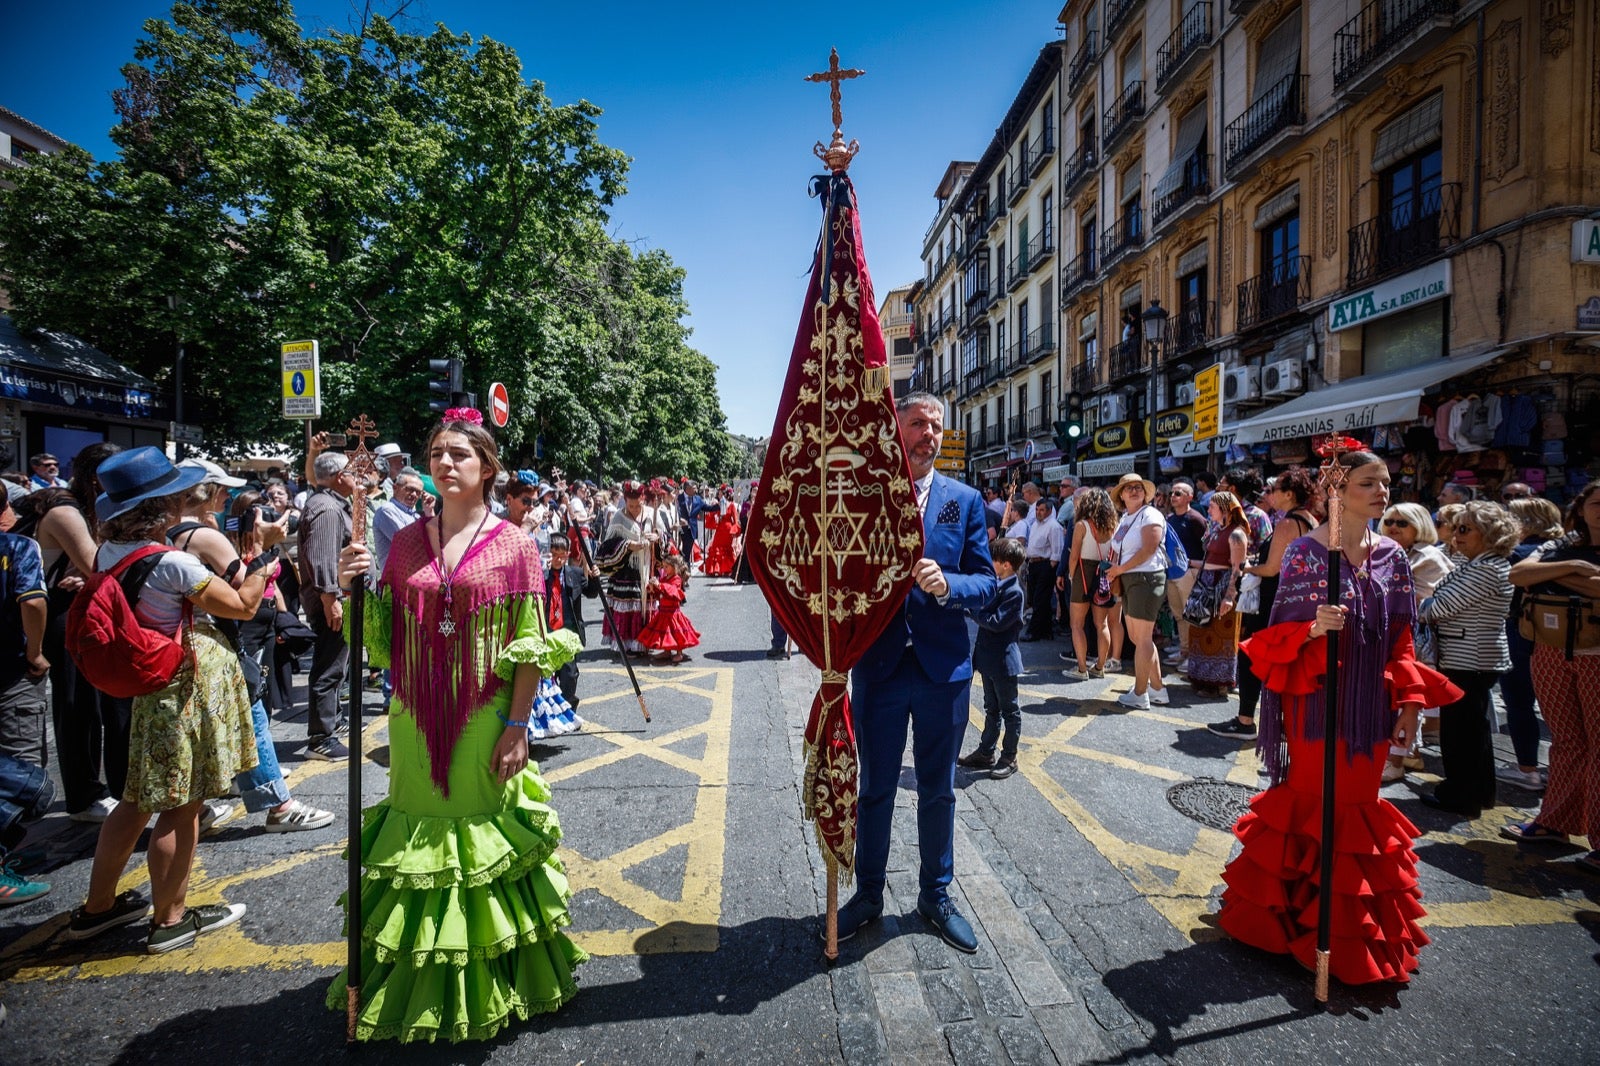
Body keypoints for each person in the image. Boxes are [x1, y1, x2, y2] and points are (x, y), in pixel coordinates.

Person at [329, 413, 585, 1042]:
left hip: (483, 717)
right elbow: (381, 641)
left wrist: (518, 725)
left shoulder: (515, 544)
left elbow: (530, 642)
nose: (445, 464)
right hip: (413, 717)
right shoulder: (409, 541)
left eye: (459, 455)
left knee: (477, 854)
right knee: (418, 853)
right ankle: (416, 986)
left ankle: (489, 986)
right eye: (437, 454)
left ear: (487, 468)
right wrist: (348, 588)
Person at [1218, 447, 1458, 985]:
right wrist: (1312, 629)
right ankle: (1283, 924)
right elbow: (1272, 639)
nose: (1383, 492)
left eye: (1386, 483)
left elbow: (1403, 642)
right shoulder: (1305, 553)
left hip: (1368, 706)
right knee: (1307, 802)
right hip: (1313, 700)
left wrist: (1413, 706)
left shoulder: (1394, 558)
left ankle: (1346, 937)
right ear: (1337, 491)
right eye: (1369, 483)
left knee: (1355, 806)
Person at [65, 448, 268, 953]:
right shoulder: (173, 563)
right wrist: (264, 559)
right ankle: (171, 919)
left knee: (134, 801)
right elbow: (242, 606)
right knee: (182, 805)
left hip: (148, 689)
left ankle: (98, 908)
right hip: (182, 689)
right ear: (163, 507)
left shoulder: (106, 554)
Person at [838, 392, 996, 954]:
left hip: (942, 670)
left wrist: (951, 585)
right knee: (876, 788)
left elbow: (988, 583)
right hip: (879, 668)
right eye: (917, 424)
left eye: (935, 425)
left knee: (938, 791)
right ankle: (868, 894)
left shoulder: (964, 501)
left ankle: (936, 895)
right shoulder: (862, 496)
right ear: (896, 428)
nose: (928, 433)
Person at [167, 467, 334, 834]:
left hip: (177, 646)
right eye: (223, 491)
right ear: (206, 493)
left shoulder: (167, 533)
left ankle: (197, 808)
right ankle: (279, 806)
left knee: (204, 727)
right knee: (253, 716)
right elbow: (247, 597)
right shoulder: (203, 537)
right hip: (214, 642)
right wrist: (265, 548)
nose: (228, 498)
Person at [14, 445, 122, 821]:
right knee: (77, 705)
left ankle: (90, 790)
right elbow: (100, 566)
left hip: (66, 608)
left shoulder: (78, 506)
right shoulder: (64, 509)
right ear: (98, 478)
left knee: (88, 702)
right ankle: (83, 795)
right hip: (55, 614)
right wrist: (89, 568)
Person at [1502, 481, 1600, 870]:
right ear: (1582, 507)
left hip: (1595, 654)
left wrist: (1550, 576)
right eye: (1596, 502)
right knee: (1567, 741)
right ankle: (1554, 822)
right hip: (1552, 650)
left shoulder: (1553, 551)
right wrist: (1576, 568)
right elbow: (1520, 575)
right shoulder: (1566, 545)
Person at [1416, 500, 1518, 817]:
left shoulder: (1486, 568)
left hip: (1471, 658)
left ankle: (1462, 794)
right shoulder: (1477, 563)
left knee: (1463, 733)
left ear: (1487, 533)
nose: (1456, 536)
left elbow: (1438, 608)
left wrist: (1425, 607)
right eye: (1455, 528)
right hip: (1468, 656)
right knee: (1469, 730)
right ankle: (1473, 791)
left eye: (1464, 529)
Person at [1212, 468, 1318, 739]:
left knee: (1251, 656)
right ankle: (1284, 723)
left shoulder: (1287, 523)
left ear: (1289, 494)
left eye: (1273, 490)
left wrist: (1247, 568)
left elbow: (1272, 569)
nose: (1268, 495)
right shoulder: (1309, 520)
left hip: (1274, 599)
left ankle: (1245, 720)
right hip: (1293, 598)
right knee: (1283, 661)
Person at [1375, 502, 1453, 780]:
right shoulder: (1380, 549)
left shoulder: (1429, 557)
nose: (1394, 526)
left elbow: (1432, 600)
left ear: (1419, 525)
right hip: (1386, 635)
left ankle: (1398, 759)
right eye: (1389, 521)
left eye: (1402, 522)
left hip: (1414, 638)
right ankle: (1406, 754)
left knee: (1407, 698)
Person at [1495, 497, 1564, 790]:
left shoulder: (1516, 555)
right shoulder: (1568, 552)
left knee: (1520, 703)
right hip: (1567, 639)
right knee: (1561, 712)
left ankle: (1527, 769)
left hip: (1521, 634)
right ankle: (1564, 773)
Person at [296, 450, 359, 761]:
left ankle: (333, 721)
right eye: (351, 471)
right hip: (332, 601)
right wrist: (330, 598)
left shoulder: (331, 505)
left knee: (337, 665)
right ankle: (321, 737)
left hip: (337, 598)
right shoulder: (326, 509)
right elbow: (323, 558)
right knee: (329, 667)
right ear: (338, 476)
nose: (355, 476)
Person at [956, 537, 1026, 779]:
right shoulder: (996, 583)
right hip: (988, 658)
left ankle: (1010, 755)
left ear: (1006, 565)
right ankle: (986, 751)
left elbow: (995, 622)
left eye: (993, 559)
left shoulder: (1014, 592)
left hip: (1004, 661)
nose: (990, 563)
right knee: (991, 708)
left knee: (1010, 710)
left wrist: (974, 610)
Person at [1106, 473, 1169, 709]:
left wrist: (1119, 569)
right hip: (1131, 578)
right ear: (1121, 495)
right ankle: (1158, 688)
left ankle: (1141, 693)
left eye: (1138, 487)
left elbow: (1149, 549)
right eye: (1128, 488)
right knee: (1138, 638)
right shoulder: (1126, 517)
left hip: (1145, 577)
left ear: (1145, 493)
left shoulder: (1150, 514)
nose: (1134, 491)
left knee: (1142, 638)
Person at [0, 491, 49, 768]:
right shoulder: (18, 547)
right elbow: (32, 602)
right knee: (21, 766)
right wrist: (36, 652)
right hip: (12, 667)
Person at [1185, 492, 1248, 697]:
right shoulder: (1218, 530)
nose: (1209, 509)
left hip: (1221, 587)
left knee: (1219, 635)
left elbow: (1237, 569)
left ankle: (1218, 683)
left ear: (1226, 509)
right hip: (1206, 586)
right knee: (1200, 630)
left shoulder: (1237, 533)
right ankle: (1202, 679)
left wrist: (1229, 596)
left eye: (1212, 506)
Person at [1059, 487, 1122, 679]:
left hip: (1082, 574)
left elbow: (1073, 556)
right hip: (1104, 573)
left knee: (1077, 624)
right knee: (1101, 624)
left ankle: (1081, 669)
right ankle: (1100, 667)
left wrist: (1071, 576)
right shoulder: (1114, 527)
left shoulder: (1082, 525)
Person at [595, 480, 659, 655]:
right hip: (626, 570)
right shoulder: (618, 516)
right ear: (624, 501)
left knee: (646, 604)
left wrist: (657, 537)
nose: (634, 509)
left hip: (647, 566)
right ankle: (628, 643)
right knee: (630, 605)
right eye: (630, 506)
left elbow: (666, 541)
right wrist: (627, 545)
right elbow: (606, 547)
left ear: (643, 500)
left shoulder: (652, 514)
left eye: (637, 506)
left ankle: (646, 641)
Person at [544, 532, 600, 711]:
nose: (558, 560)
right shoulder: (540, 575)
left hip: (568, 633)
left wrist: (594, 578)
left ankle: (567, 708)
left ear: (568, 554)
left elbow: (591, 593)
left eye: (562, 556)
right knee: (547, 675)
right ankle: (548, 711)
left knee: (569, 674)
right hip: (547, 634)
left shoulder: (575, 574)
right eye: (553, 555)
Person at [1163, 480, 1207, 669]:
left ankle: (1194, 654)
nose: (1173, 496)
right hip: (1172, 572)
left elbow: (1207, 547)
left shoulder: (1196, 519)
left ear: (1190, 496)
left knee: (1191, 615)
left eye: (1178, 493)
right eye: (1172, 493)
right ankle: (1184, 650)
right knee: (1179, 614)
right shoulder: (1170, 519)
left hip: (1190, 571)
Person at [640, 551, 700, 665]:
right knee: (665, 633)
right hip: (663, 611)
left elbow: (672, 591)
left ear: (674, 567)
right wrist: (653, 587)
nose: (664, 569)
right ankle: (667, 651)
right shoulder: (665, 578)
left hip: (673, 613)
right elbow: (660, 592)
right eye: (664, 566)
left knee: (676, 633)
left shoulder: (676, 579)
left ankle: (679, 652)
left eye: (667, 567)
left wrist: (660, 585)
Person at [1016, 498, 1063, 642]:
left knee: (1039, 599)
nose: (1038, 512)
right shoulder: (1035, 525)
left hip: (1045, 565)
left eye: (1042, 510)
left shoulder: (1054, 526)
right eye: (1037, 509)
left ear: (1049, 511)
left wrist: (1050, 567)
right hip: (1034, 564)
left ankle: (1034, 631)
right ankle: (1046, 630)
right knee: (1038, 600)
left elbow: (1057, 550)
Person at [702, 486, 740, 577]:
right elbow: (711, 515)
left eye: (721, 494)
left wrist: (734, 531)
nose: (719, 496)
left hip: (727, 530)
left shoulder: (731, 505)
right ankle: (716, 569)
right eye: (719, 494)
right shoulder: (718, 504)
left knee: (726, 548)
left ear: (725, 494)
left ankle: (726, 568)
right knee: (715, 546)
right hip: (719, 528)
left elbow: (735, 520)